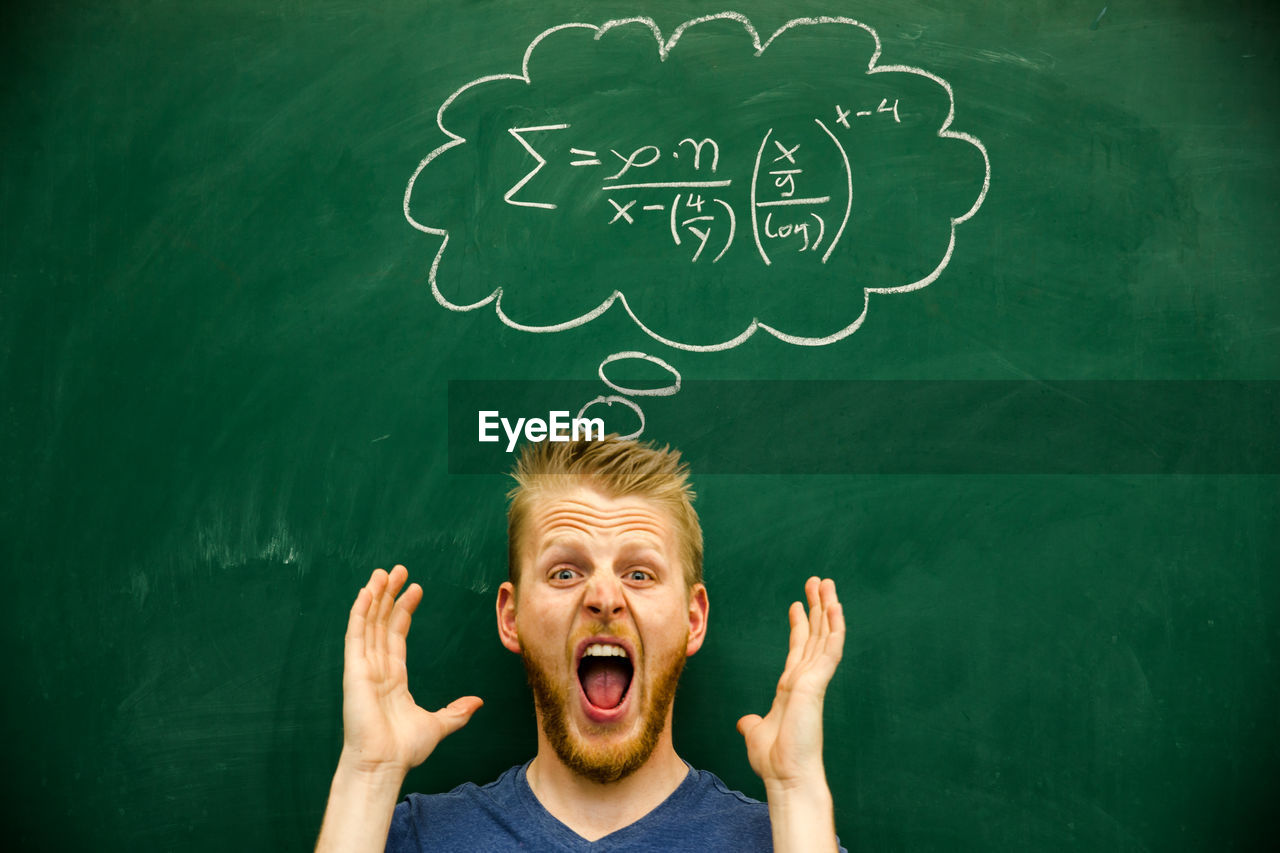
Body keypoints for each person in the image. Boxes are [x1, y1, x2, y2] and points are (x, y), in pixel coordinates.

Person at [315, 437, 846, 851]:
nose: (604, 597)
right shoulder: (413, 838)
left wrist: (797, 789)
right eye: (565, 572)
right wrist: (368, 773)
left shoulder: (790, 839)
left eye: (639, 574)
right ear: (511, 616)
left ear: (693, 618)